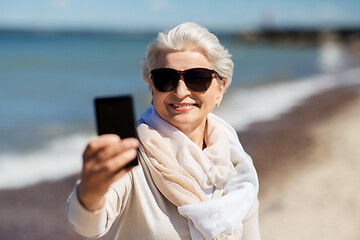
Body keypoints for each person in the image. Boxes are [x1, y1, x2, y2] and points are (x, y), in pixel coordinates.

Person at [67, 22, 261, 240]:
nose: (180, 91)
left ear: (220, 89)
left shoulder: (238, 164)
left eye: (198, 79)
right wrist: (91, 191)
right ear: (151, 87)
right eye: (165, 79)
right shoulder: (133, 156)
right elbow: (89, 225)